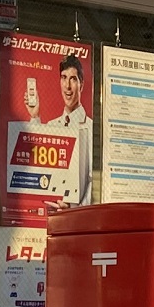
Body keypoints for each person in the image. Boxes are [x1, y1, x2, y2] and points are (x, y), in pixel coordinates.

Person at [50, 52, 93, 206]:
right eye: (64, 78)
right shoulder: (51, 126)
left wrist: (73, 207)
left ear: (82, 84)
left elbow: (93, 180)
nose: (67, 86)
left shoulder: (90, 128)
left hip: (78, 215)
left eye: (73, 79)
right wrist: (34, 116)